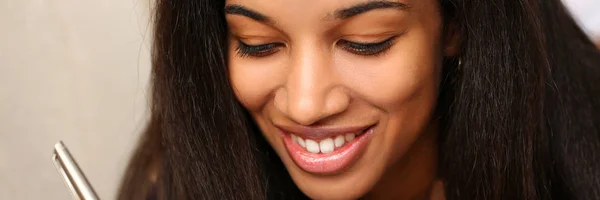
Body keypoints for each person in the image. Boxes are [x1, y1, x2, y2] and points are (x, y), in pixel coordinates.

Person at [118, 0, 600, 199]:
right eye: (256, 43)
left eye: (365, 42)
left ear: (457, 24)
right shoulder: (175, 176)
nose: (305, 105)